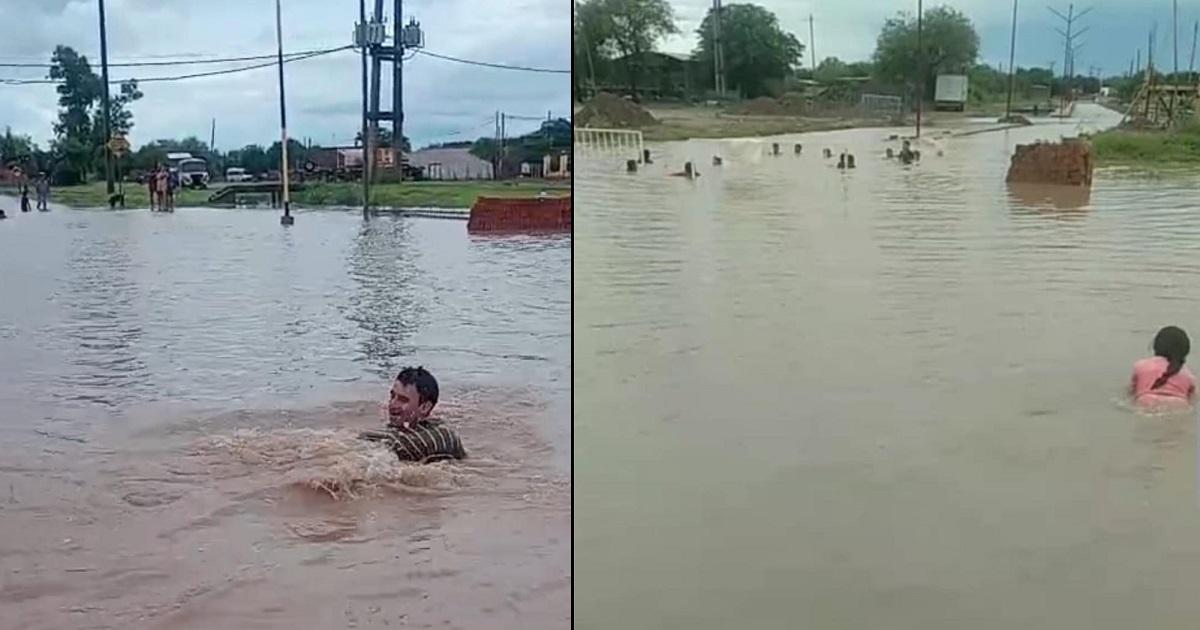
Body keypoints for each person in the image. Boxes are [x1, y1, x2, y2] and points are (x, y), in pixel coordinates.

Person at [359, 366, 467, 463]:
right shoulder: (449, 435)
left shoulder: (402, 444)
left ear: (425, 407)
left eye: (403, 400)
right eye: (392, 396)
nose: (392, 404)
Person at [1130, 326, 1196, 408]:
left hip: (1146, 401)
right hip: (1179, 405)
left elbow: (1131, 392)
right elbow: (1193, 398)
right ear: (1185, 351)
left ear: (1156, 346)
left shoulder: (1140, 366)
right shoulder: (1188, 374)